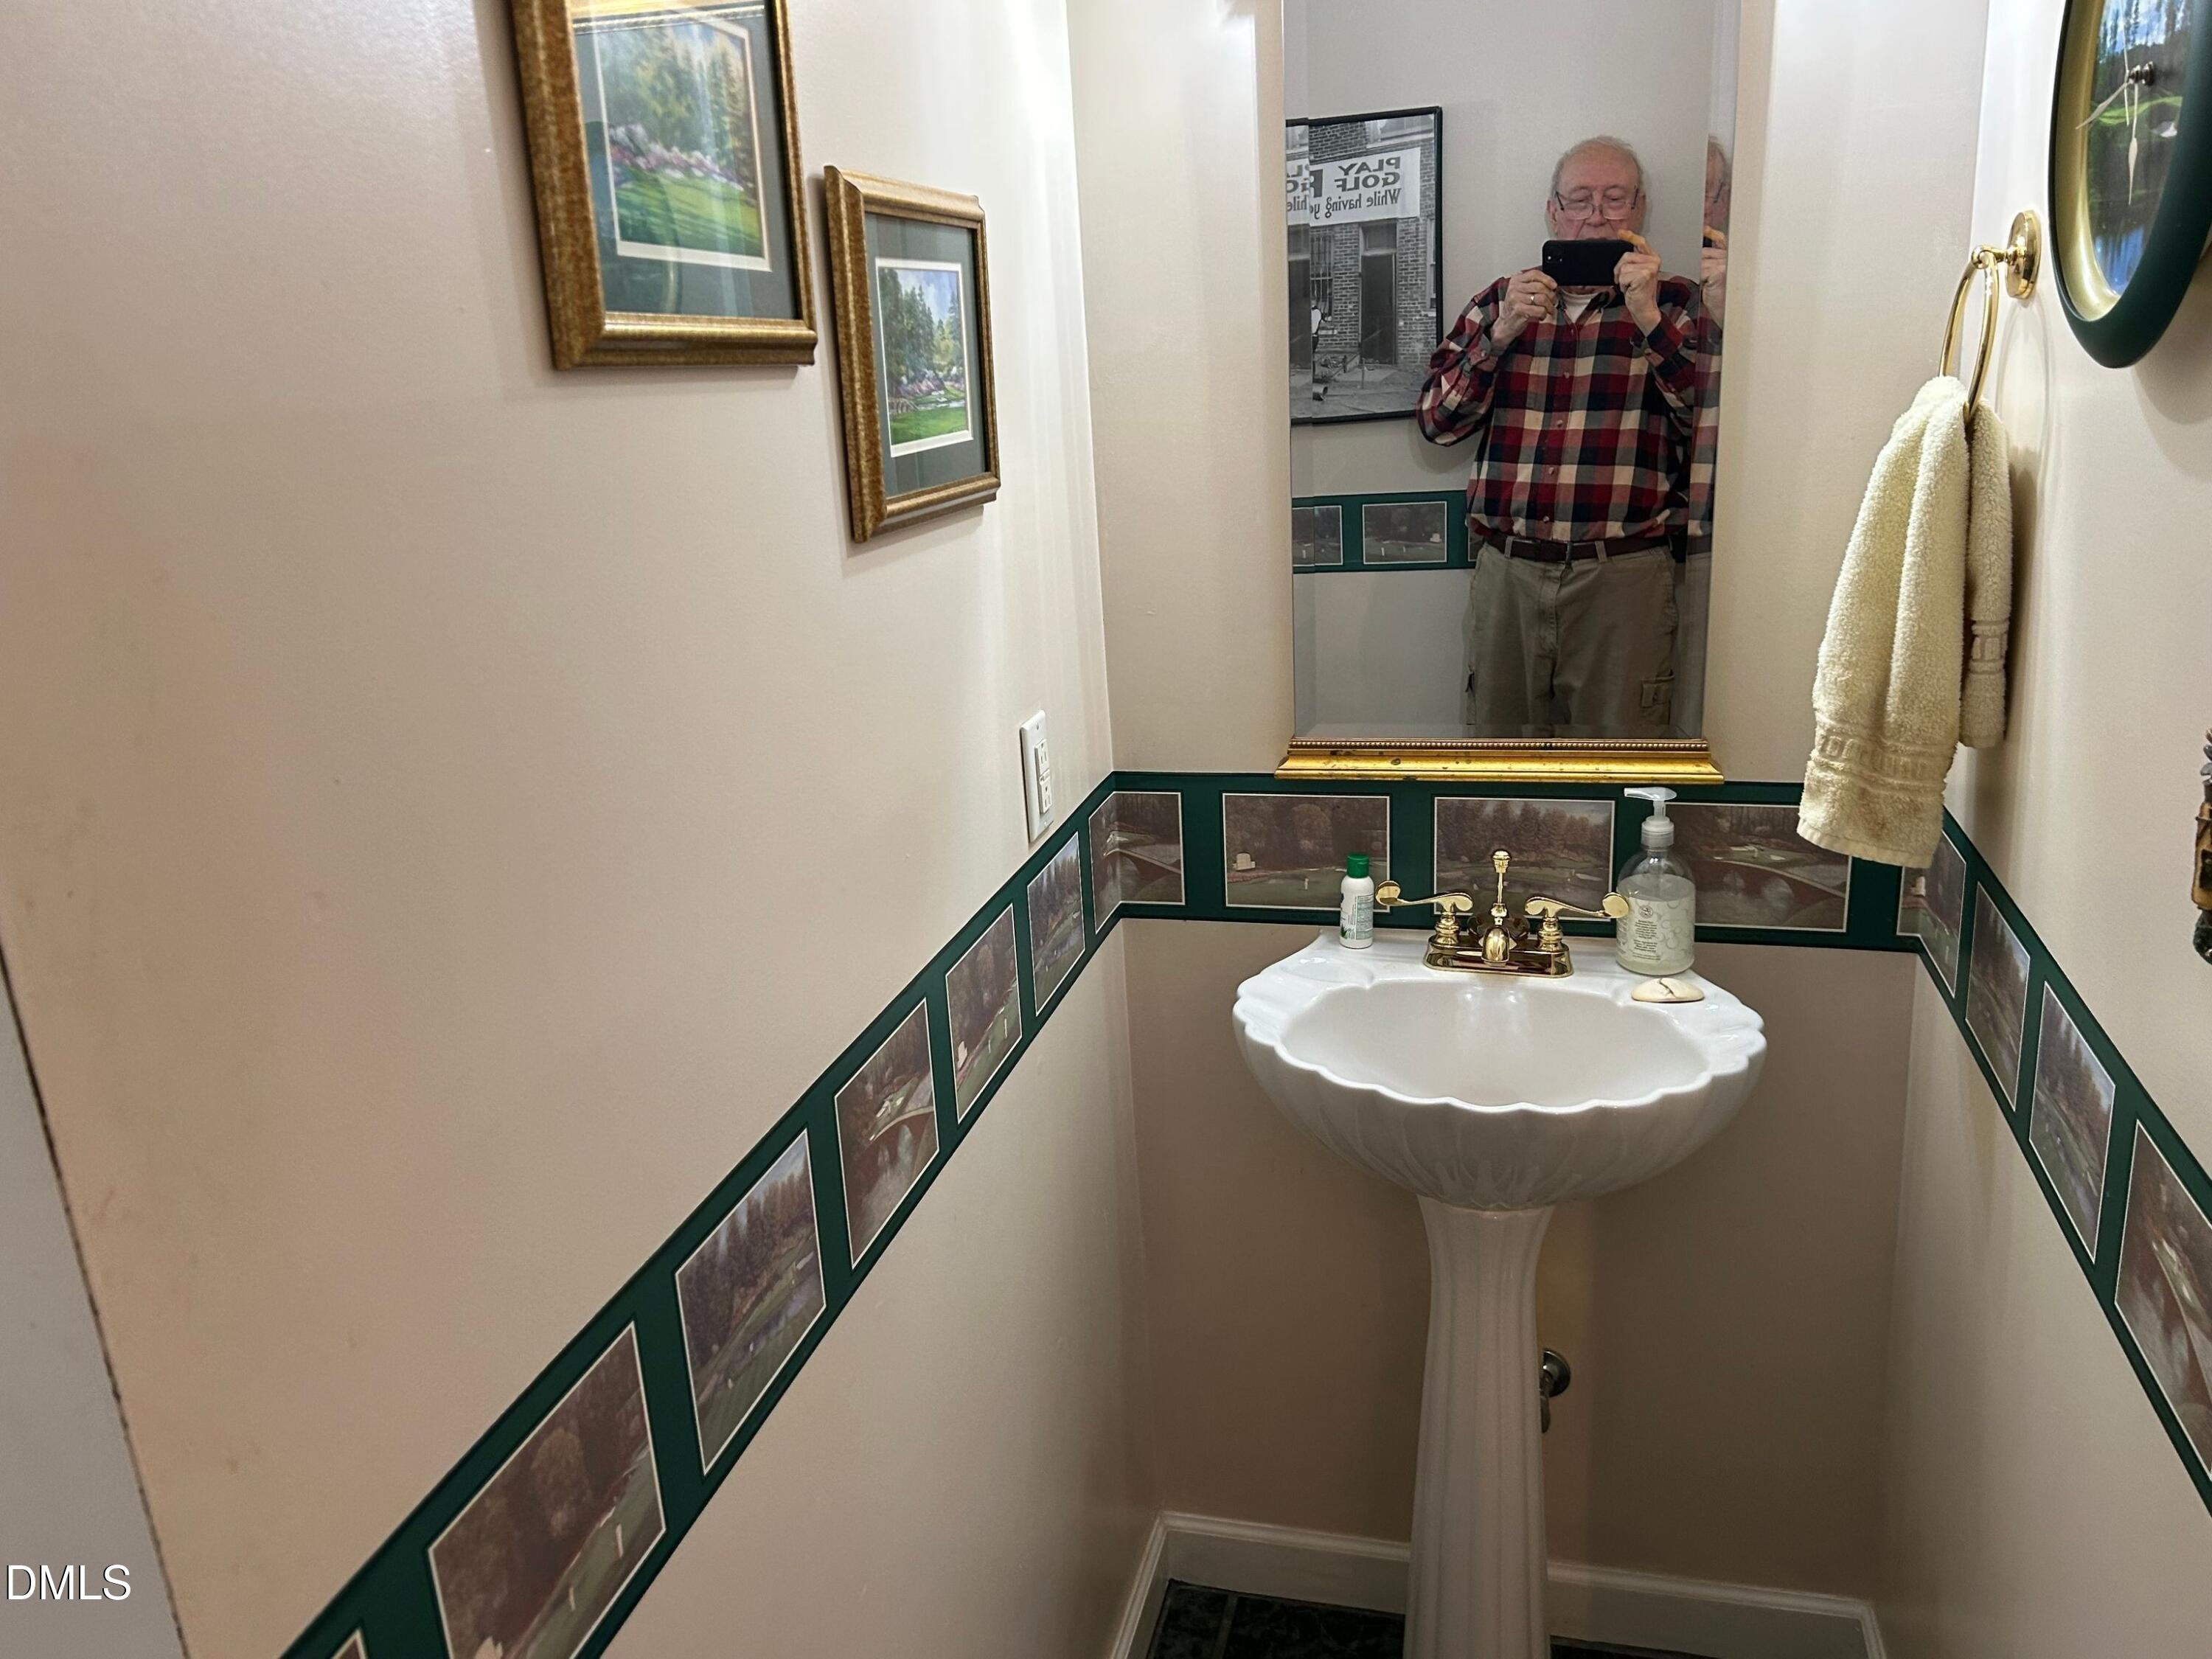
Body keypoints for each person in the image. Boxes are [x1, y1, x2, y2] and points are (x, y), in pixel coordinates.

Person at [1416, 136, 1700, 737]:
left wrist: (1647, 318)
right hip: (1507, 574)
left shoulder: (1677, 305)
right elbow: (1437, 424)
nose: (1595, 215)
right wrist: (1500, 335)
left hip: (1623, 577)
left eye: (1614, 199)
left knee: (1621, 766)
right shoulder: (1501, 301)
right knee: (1497, 773)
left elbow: (1708, 426)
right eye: (1578, 200)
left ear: (1641, 208)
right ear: (1552, 211)